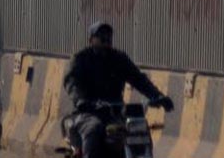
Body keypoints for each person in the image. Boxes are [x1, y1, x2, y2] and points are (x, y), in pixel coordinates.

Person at [64, 22, 173, 157]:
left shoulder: (119, 59)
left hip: (116, 113)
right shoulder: (81, 59)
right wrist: (81, 100)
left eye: (108, 35)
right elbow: (71, 82)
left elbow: (138, 79)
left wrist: (157, 97)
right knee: (94, 129)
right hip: (88, 112)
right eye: (101, 36)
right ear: (91, 39)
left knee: (137, 129)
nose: (105, 39)